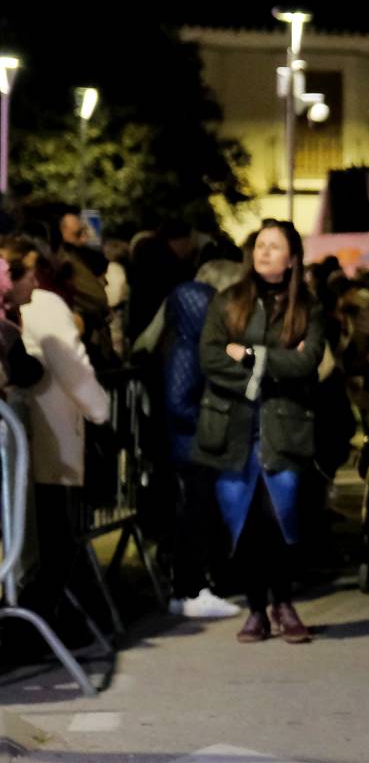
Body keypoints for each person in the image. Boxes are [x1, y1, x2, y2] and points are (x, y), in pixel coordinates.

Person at [195, 221, 325, 644]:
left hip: (283, 426)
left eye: (275, 246)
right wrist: (266, 371)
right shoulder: (228, 301)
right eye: (260, 245)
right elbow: (211, 357)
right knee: (244, 521)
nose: (265, 252)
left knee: (279, 517)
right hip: (231, 426)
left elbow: (307, 362)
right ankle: (256, 610)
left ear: (292, 257)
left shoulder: (307, 307)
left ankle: (283, 602)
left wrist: (250, 355)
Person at [11, 236, 111, 651]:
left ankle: (45, 629)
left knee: (40, 542)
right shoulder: (45, 305)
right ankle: (44, 632)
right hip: (53, 441)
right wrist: (100, 409)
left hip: (32, 441)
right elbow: (73, 365)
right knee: (55, 542)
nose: (33, 279)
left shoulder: (25, 308)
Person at [157, 257, 249, 619]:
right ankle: (191, 588)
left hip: (195, 443)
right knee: (197, 515)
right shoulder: (190, 345)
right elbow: (178, 399)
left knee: (200, 514)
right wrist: (214, 424)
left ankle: (193, 586)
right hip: (194, 445)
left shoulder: (188, 341)